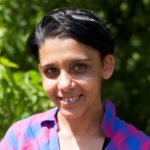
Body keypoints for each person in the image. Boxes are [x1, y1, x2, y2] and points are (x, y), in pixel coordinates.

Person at [0, 8, 150, 150]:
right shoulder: (21, 138)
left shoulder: (138, 145)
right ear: (41, 72)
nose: (64, 85)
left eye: (79, 67)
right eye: (51, 70)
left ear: (106, 66)